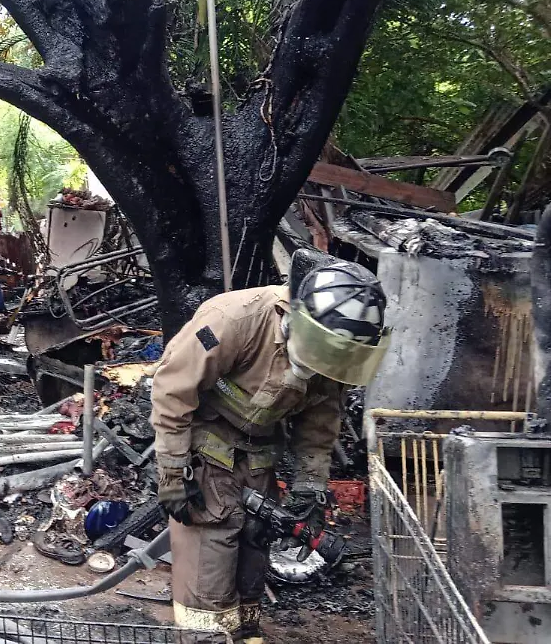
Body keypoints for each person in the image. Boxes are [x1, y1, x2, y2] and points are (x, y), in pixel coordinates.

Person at [151, 250, 390, 643]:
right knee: (210, 569)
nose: (319, 365)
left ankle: (246, 635)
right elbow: (172, 393)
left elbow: (320, 420)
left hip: (260, 457)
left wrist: (309, 484)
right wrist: (173, 473)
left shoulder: (336, 352)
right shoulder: (234, 321)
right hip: (205, 453)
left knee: (252, 565)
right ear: (295, 318)